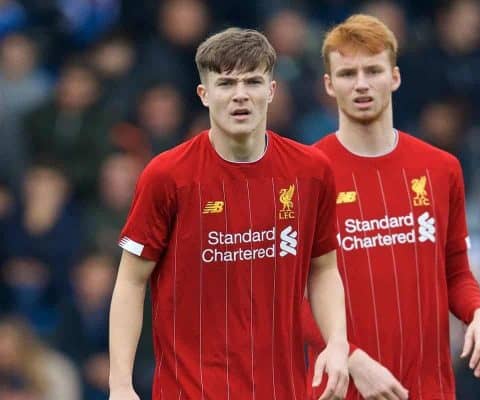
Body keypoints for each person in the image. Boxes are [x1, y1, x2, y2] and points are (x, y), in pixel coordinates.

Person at [108, 28, 349, 400]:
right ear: (204, 95)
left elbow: (324, 268)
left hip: (280, 389)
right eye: (226, 83)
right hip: (189, 391)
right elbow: (130, 282)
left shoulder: (312, 171)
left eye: (253, 81)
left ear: (271, 91)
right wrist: (120, 385)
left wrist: (336, 342)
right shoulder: (167, 176)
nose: (240, 95)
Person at [303, 15, 480, 400]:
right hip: (341, 388)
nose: (361, 84)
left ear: (394, 77)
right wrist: (353, 358)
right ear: (329, 84)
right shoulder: (305, 176)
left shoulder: (441, 169)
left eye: (373, 70)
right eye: (347, 74)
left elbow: (456, 272)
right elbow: (287, 298)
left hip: (428, 389)